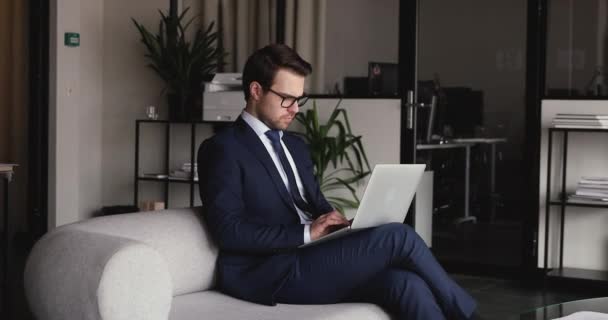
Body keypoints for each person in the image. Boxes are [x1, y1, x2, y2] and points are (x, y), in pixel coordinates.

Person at [197, 44, 477, 320]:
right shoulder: (224, 149)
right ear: (256, 91)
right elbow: (229, 231)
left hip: (311, 257)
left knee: (405, 284)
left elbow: (316, 204)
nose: (295, 109)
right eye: (287, 98)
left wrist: (342, 226)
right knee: (398, 236)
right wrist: (307, 233)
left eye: (299, 99)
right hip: (268, 270)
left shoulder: (296, 146)